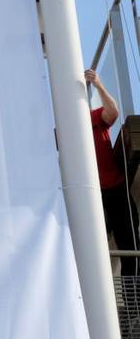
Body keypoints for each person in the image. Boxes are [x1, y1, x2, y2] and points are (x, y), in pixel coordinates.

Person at [86, 68, 139, 276]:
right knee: (95, 245)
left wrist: (98, 84)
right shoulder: (61, 130)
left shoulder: (92, 118)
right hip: (91, 194)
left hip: (115, 189)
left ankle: (132, 298)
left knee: (130, 243)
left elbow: (113, 112)